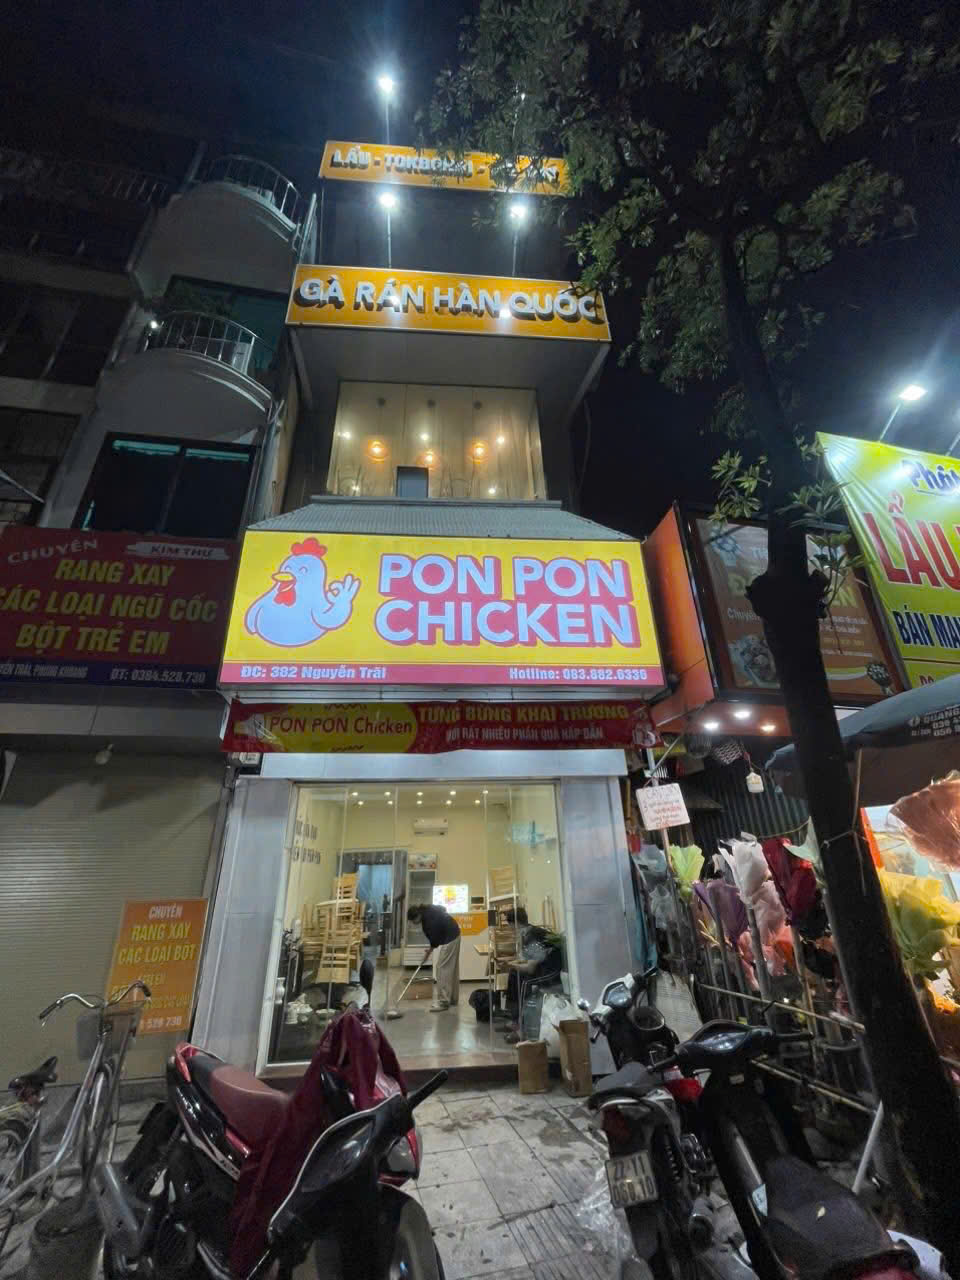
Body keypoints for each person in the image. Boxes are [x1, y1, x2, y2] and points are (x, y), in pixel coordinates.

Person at [407, 903, 461, 1011]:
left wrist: (428, 953)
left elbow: (434, 940)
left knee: (442, 968)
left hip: (450, 937)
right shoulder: (428, 909)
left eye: (413, 921)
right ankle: (453, 999)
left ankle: (443, 1002)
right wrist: (429, 951)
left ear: (417, 916)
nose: (413, 923)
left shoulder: (427, 920)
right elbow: (443, 908)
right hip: (455, 933)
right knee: (452, 968)